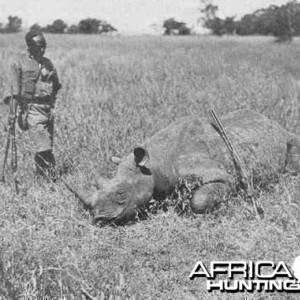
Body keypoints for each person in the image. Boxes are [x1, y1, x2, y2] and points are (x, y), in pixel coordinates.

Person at [6, 30, 61, 181]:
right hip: (31, 110)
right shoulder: (19, 63)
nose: (42, 49)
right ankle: (49, 179)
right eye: (38, 46)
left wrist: (52, 101)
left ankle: (44, 178)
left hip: (48, 110)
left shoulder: (48, 63)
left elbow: (56, 84)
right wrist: (13, 113)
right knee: (44, 146)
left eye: (44, 45)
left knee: (48, 144)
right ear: (29, 46)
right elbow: (13, 92)